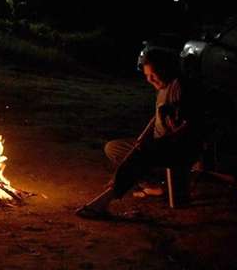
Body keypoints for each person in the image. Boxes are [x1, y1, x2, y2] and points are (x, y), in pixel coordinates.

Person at [76, 48, 203, 219]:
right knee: (114, 148)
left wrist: (157, 144)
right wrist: (141, 139)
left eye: (153, 74)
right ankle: (154, 184)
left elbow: (190, 126)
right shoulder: (162, 87)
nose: (150, 79)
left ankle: (103, 201)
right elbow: (155, 117)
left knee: (141, 155)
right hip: (157, 145)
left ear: (165, 69)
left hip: (177, 147)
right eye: (146, 75)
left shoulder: (180, 87)